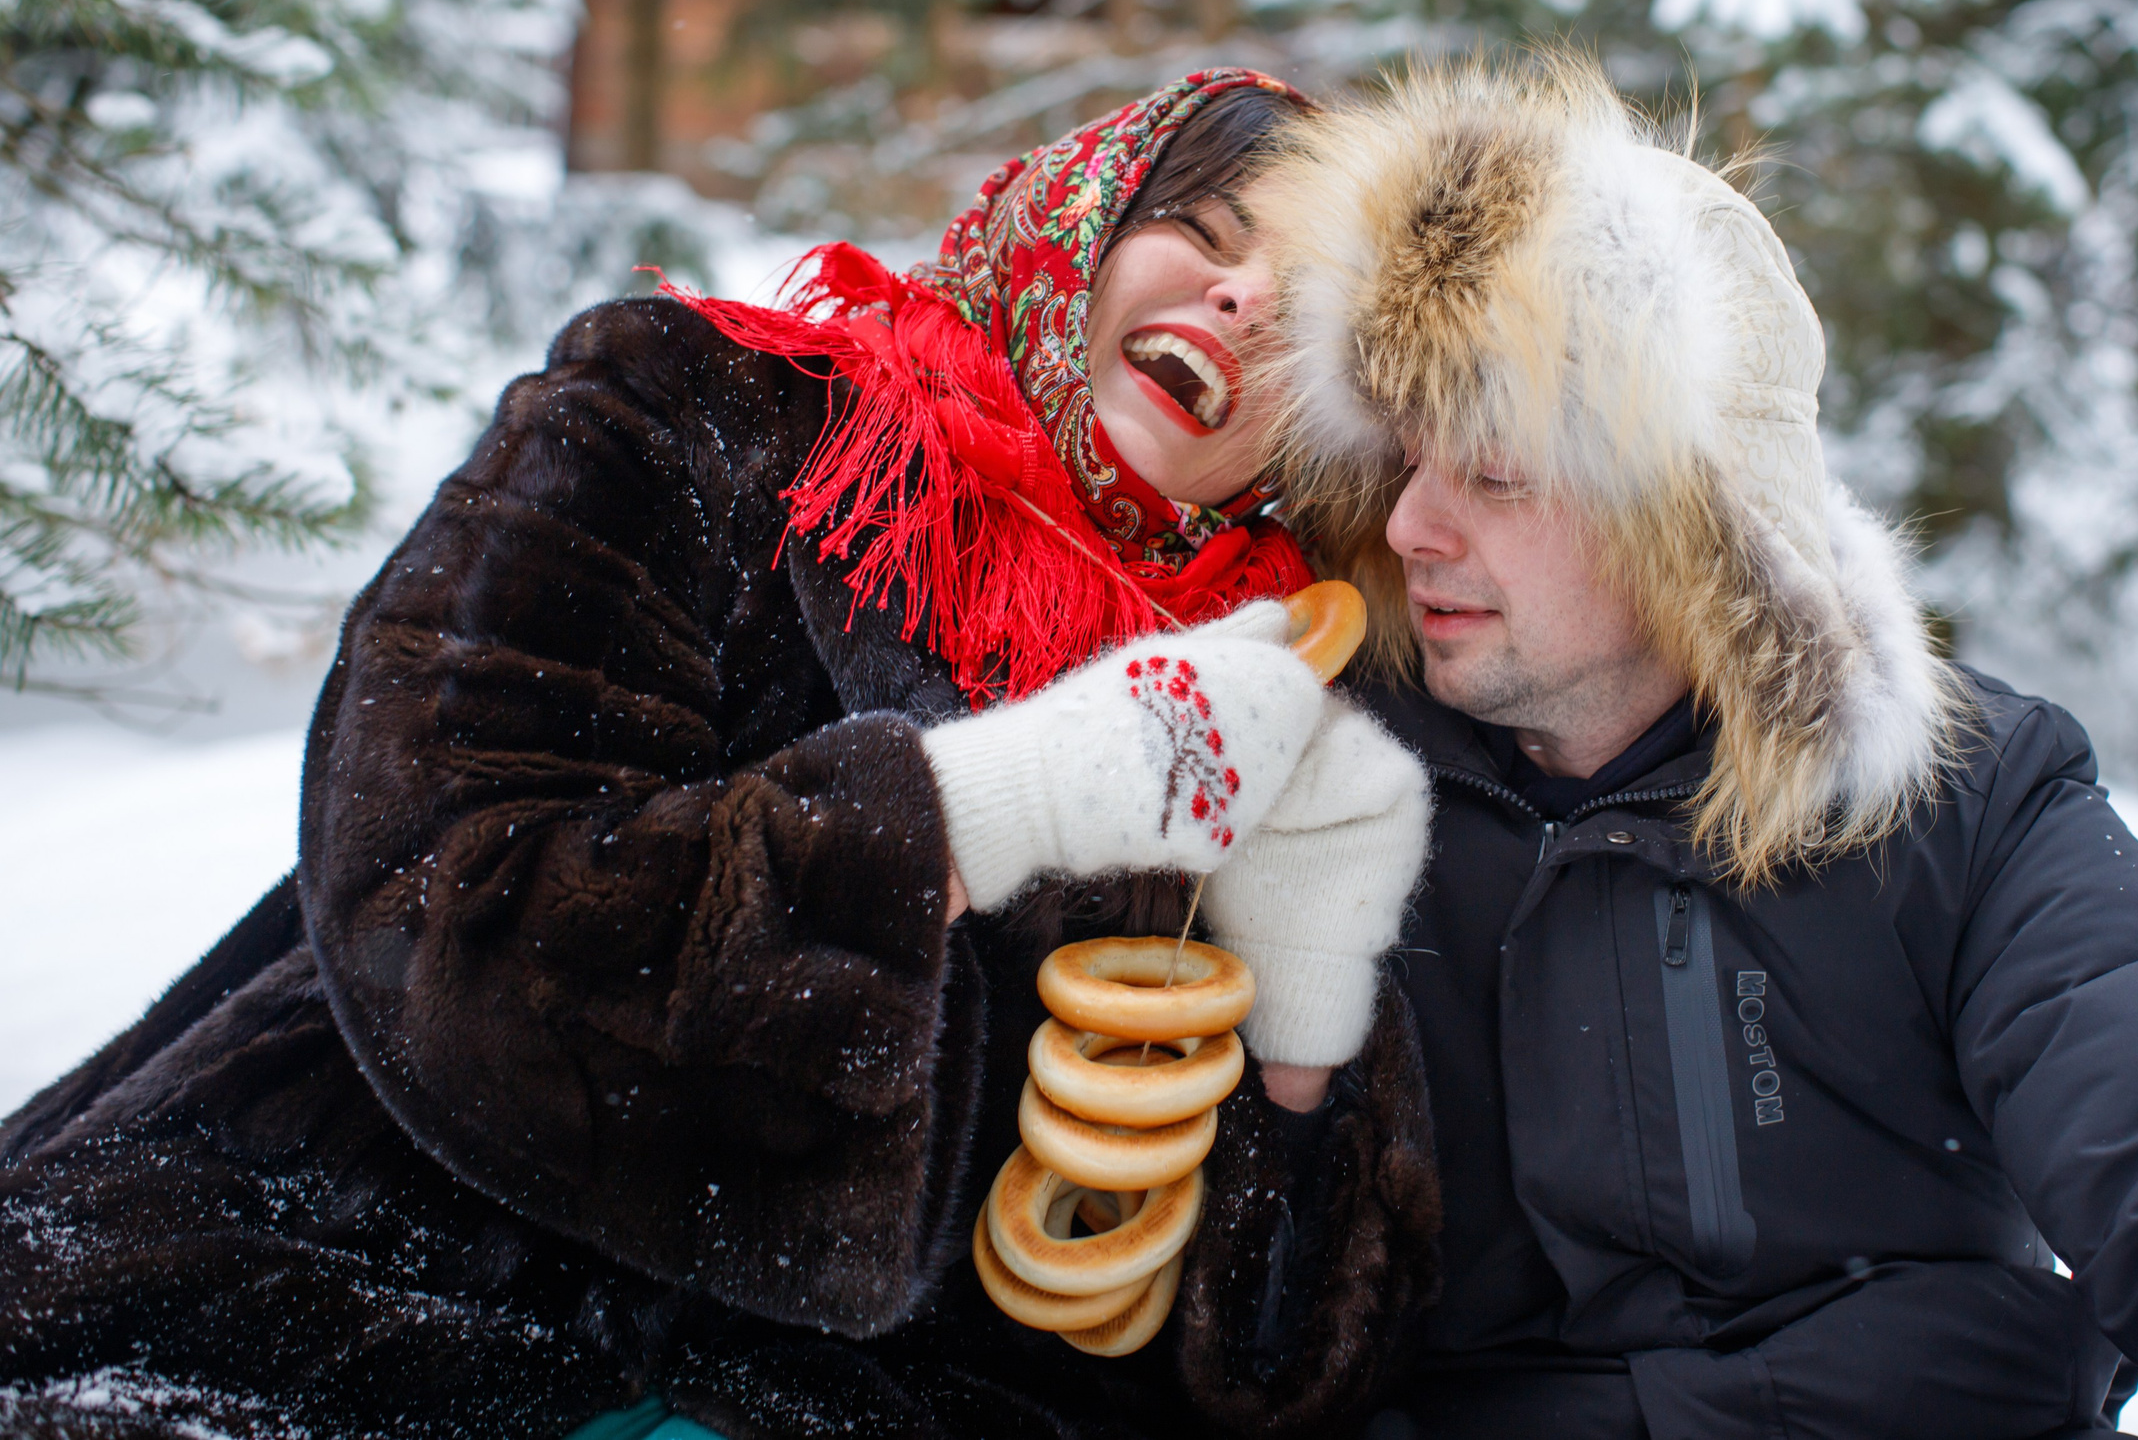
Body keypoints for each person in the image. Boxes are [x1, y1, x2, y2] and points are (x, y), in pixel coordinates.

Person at [0, 71, 1443, 1439]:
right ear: (1085, 220)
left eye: (1305, 312)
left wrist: (1304, 1022)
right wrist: (993, 807)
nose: (1242, 298)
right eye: (1205, 234)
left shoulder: (1270, 709)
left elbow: (1260, 1375)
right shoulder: (696, 411)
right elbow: (440, 900)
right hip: (322, 1281)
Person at [1248, 55, 2138, 1439]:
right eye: (1407, 458)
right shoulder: (1338, 802)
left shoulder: (1959, 805)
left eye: (1496, 471)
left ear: (1695, 521)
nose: (1411, 527)